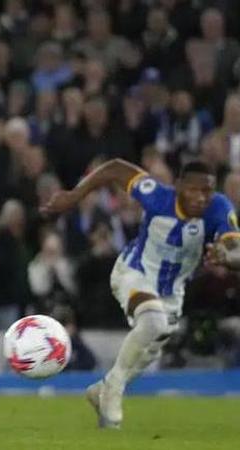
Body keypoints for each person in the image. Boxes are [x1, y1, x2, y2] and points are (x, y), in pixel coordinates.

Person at [41, 158, 240, 429]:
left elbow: (235, 249)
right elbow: (114, 168)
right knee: (153, 322)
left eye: (207, 191)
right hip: (134, 273)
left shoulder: (219, 208)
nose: (201, 197)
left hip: (172, 292)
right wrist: (75, 195)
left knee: (148, 352)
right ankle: (112, 392)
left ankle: (101, 389)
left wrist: (225, 256)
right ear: (179, 186)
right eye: (194, 190)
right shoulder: (156, 196)